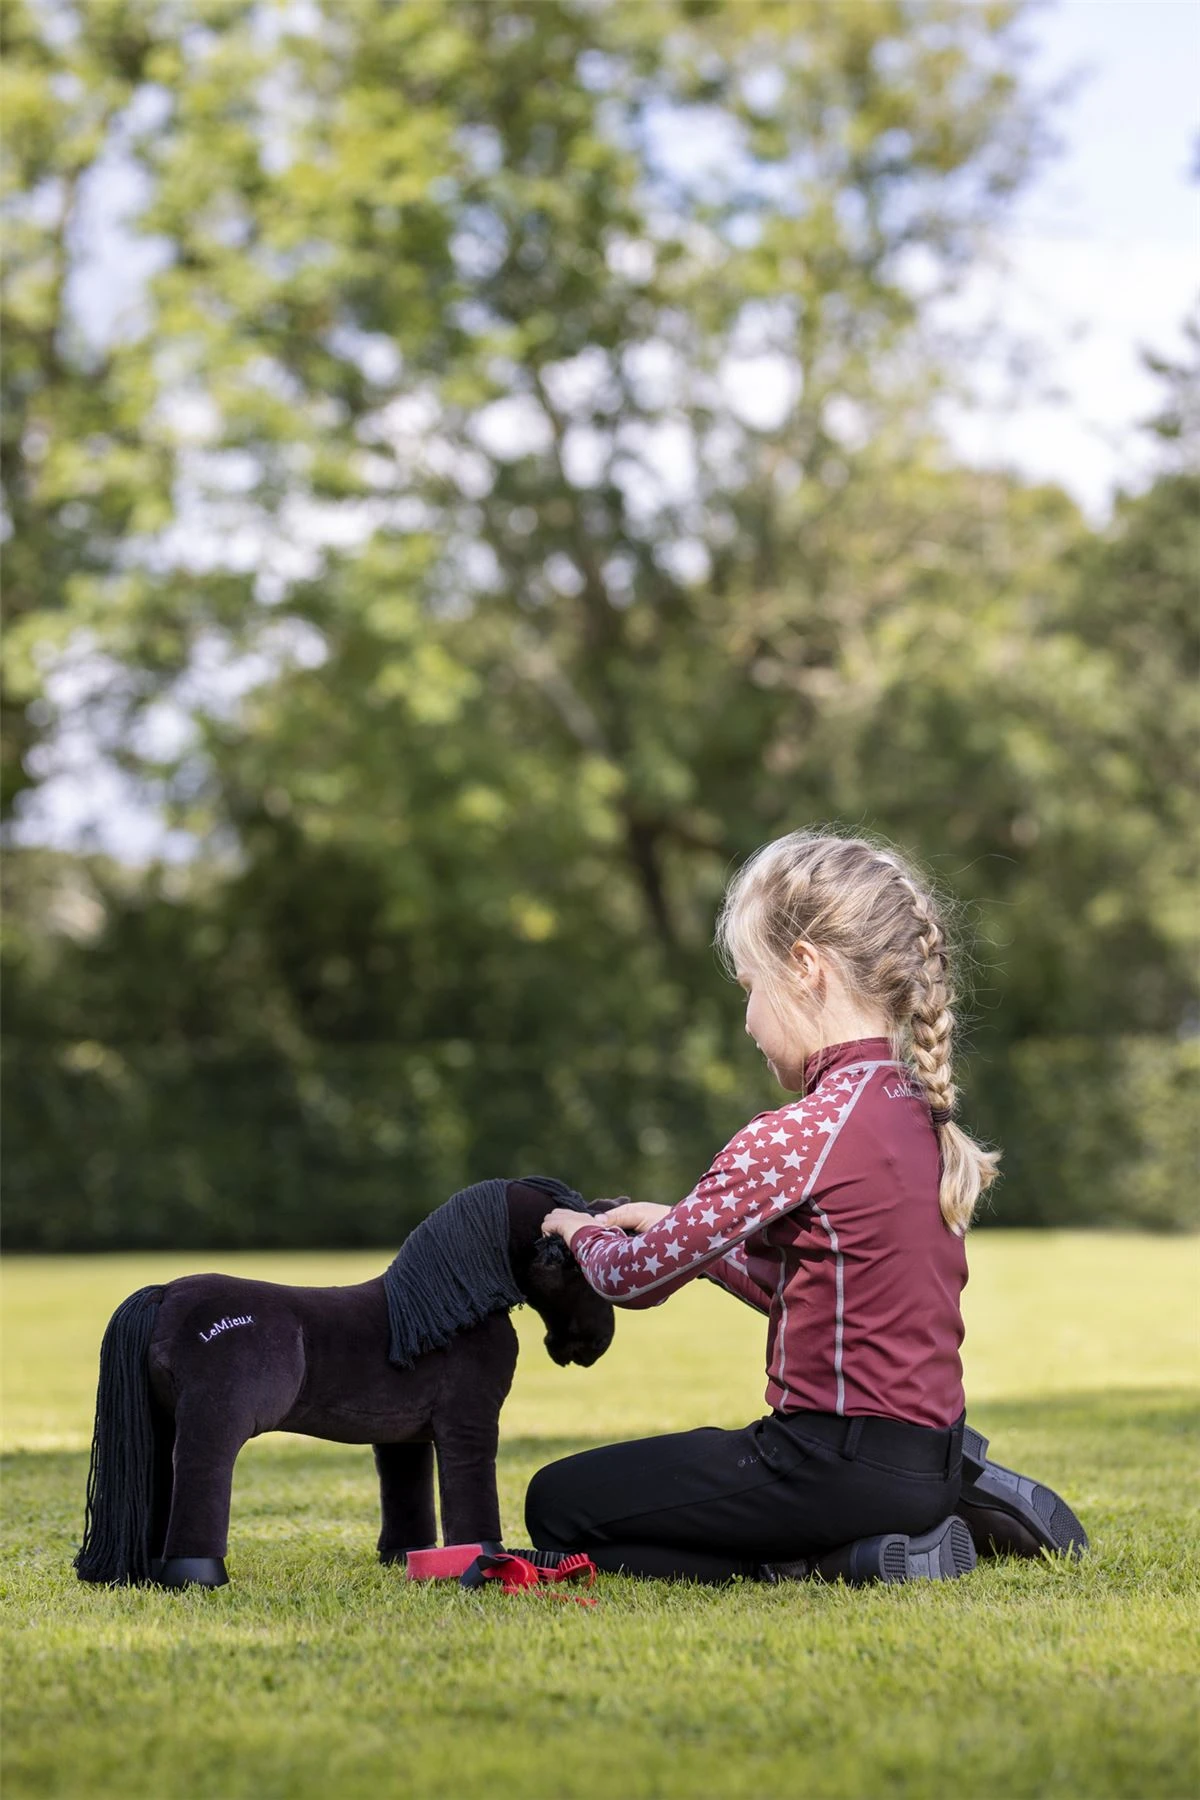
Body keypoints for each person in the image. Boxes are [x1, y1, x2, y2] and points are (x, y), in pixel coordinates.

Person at [529, 829, 1087, 1585]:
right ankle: (934, 1505)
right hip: (921, 1456)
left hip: (826, 1465)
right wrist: (680, 1230)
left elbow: (631, 1280)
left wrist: (578, 1228)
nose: (747, 1020)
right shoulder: (916, 1111)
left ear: (804, 967)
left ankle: (820, 1562)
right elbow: (817, 1295)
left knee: (558, 1505)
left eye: (749, 988)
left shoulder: (800, 1132)